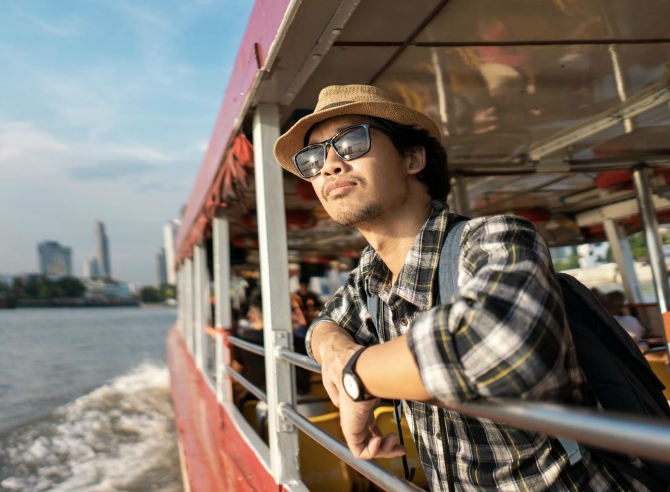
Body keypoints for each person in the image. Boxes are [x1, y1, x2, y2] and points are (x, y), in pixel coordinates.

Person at [272, 84, 649, 491]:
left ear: (412, 158)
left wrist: (356, 379)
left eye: (350, 142)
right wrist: (338, 351)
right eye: (312, 159)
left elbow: (495, 345)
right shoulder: (371, 276)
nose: (328, 166)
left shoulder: (493, 238)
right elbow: (324, 325)